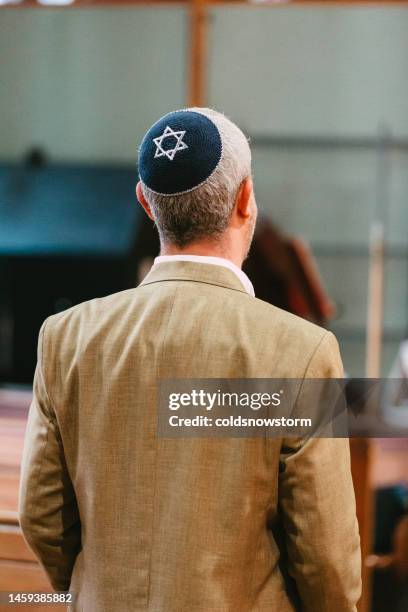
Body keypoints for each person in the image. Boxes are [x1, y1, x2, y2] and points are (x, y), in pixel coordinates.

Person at [19, 108, 361, 611]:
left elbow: (42, 517)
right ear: (246, 199)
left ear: (145, 204)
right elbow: (326, 562)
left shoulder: (65, 337)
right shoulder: (303, 352)